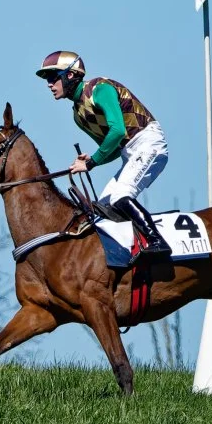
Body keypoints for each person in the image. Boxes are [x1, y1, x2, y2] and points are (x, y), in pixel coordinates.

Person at [36, 50, 171, 264]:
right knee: (104, 206)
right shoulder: (78, 115)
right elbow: (115, 149)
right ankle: (129, 249)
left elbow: (117, 132)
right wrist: (90, 162)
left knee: (121, 196)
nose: (49, 84)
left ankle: (157, 243)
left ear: (70, 75)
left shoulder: (100, 88)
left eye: (53, 78)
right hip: (130, 152)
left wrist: (91, 162)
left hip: (148, 142)